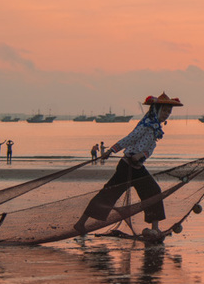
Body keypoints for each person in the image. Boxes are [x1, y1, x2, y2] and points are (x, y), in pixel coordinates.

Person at [74, 93, 183, 236]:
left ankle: (155, 228)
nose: (166, 114)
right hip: (126, 166)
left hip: (138, 167)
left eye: (169, 112)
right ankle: (81, 223)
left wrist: (141, 155)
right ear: (156, 110)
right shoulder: (146, 125)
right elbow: (130, 139)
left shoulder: (156, 128)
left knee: (154, 191)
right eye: (164, 111)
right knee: (108, 194)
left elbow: (149, 149)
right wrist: (112, 150)